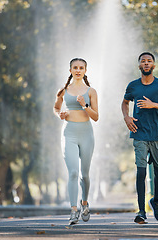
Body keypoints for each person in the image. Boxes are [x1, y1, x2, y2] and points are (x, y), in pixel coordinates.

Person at [121, 52, 158, 224]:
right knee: (141, 171)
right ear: (139, 65)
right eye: (143, 61)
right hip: (139, 133)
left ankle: (155, 201)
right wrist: (126, 117)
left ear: (153, 65)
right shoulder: (133, 86)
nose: (146, 63)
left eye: (149, 61)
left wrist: (153, 105)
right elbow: (124, 102)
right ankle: (141, 211)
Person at [53, 58, 99, 225]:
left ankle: (84, 204)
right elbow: (56, 107)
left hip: (86, 134)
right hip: (68, 134)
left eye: (81, 68)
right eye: (75, 67)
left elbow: (96, 117)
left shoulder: (91, 91)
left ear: (85, 70)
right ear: (70, 70)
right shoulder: (63, 90)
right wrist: (60, 115)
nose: (78, 70)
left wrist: (84, 104)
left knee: (84, 175)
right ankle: (73, 210)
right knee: (73, 172)